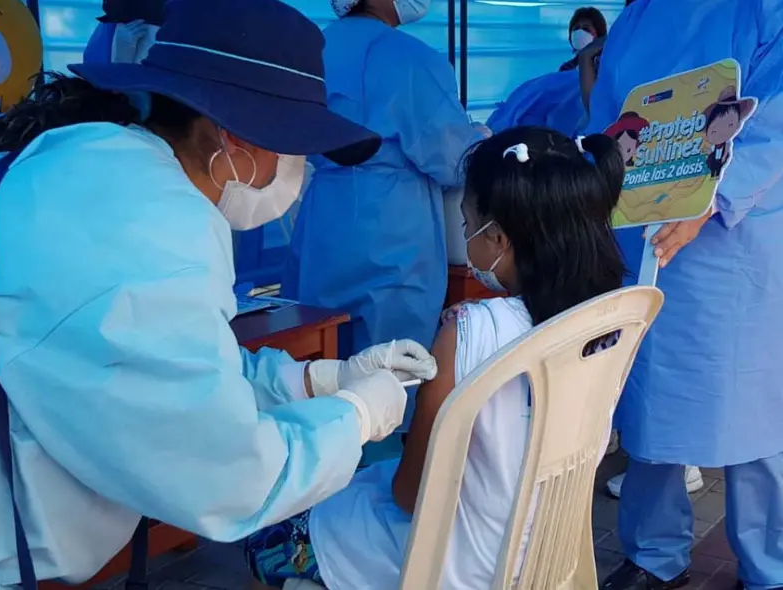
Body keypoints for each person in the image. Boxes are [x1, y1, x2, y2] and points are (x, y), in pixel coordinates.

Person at [0, 1, 440, 588]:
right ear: (233, 139)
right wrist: (357, 416)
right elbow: (227, 477)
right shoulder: (145, 223)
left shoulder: (94, 168)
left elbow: (169, 369)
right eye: (293, 150)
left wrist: (313, 382)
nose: (295, 173)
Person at [246, 126, 627, 590]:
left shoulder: (468, 332)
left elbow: (411, 495)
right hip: (546, 550)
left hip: (456, 564)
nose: (467, 239)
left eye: (468, 225)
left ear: (500, 238)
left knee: (270, 541)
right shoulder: (609, 317)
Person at [584, 1, 783, 589]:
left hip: (736, 241)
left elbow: (774, 120)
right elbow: (607, 120)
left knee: (756, 410)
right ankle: (654, 554)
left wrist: (713, 197)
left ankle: (769, 566)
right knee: (651, 404)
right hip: (641, 235)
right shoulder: (639, 15)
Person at [283, 0, 482, 365]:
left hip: (323, 221)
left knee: (320, 362)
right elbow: (453, 160)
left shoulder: (311, 49)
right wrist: (482, 141)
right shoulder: (410, 58)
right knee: (391, 371)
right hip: (394, 229)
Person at [559, 6, 607, 72]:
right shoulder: (566, 68)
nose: (580, 32)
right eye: (576, 28)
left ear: (598, 35)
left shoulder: (605, 65)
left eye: (586, 29)